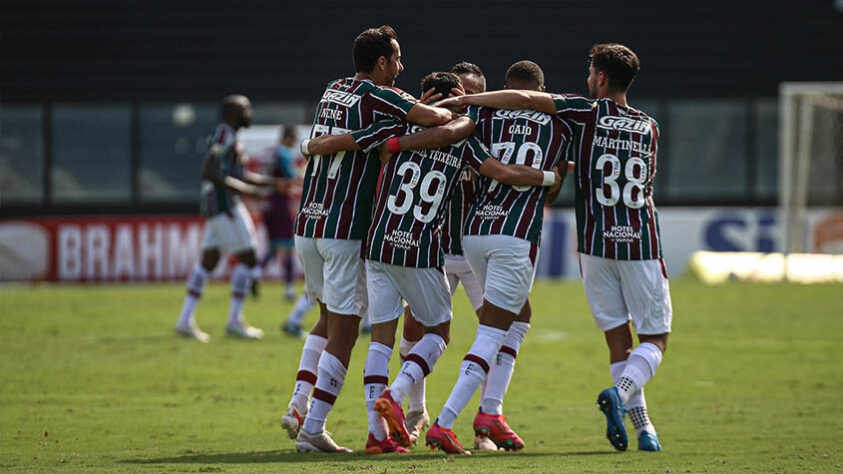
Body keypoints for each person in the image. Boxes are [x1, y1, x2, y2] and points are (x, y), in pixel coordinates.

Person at [302, 71, 562, 454]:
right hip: (422, 248)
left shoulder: (397, 128)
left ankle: (376, 435)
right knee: (439, 333)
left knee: (380, 340)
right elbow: (500, 171)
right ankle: (401, 395)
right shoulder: (468, 136)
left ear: (423, 97)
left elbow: (363, 146)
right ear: (458, 97)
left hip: (379, 242)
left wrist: (311, 146)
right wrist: (548, 175)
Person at [437, 43, 670, 453]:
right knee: (655, 339)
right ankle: (623, 396)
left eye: (590, 73)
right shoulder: (648, 127)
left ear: (599, 78)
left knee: (616, 341)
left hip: (595, 246)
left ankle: (644, 427)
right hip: (639, 242)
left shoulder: (582, 115)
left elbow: (526, 100)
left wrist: (469, 98)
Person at [281, 25, 455, 454]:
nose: (401, 67)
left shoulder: (333, 89)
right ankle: (312, 429)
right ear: (380, 64)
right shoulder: (378, 95)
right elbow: (434, 119)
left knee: (325, 320)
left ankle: (298, 403)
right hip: (343, 229)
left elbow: (334, 140)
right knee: (344, 332)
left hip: (308, 223)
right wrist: (433, 108)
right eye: (396, 59)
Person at [415, 60, 573, 455]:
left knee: (519, 317)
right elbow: (550, 193)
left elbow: (483, 166)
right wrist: (552, 177)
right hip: (515, 236)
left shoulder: (484, 119)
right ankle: (449, 421)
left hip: (473, 234)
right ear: (541, 89)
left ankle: (491, 412)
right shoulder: (561, 125)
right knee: (493, 330)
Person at [174, 95, 287, 342]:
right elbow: (209, 171)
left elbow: (242, 174)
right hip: (224, 205)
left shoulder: (233, 138)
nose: (250, 112)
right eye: (245, 109)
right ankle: (234, 322)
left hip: (220, 206)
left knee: (209, 261)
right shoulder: (224, 135)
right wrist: (247, 191)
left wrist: (273, 184)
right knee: (248, 258)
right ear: (231, 113)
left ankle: (184, 320)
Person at [258, 126, 301, 306]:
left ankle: (253, 274)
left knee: (274, 247)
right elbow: (291, 175)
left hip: (267, 204)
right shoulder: (283, 153)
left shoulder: (267, 152)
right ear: (289, 138)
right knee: (288, 247)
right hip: (280, 203)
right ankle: (289, 289)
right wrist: (300, 176)